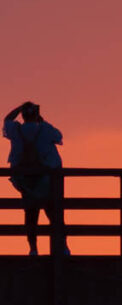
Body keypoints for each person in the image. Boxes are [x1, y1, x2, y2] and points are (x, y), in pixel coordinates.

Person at [6, 101, 66, 257]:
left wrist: (19, 108)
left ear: (23, 115)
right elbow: (59, 136)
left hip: (26, 181)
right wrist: (42, 120)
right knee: (54, 215)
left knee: (31, 216)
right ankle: (63, 247)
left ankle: (33, 249)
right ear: (36, 115)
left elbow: (7, 120)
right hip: (46, 180)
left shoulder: (16, 130)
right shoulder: (45, 129)